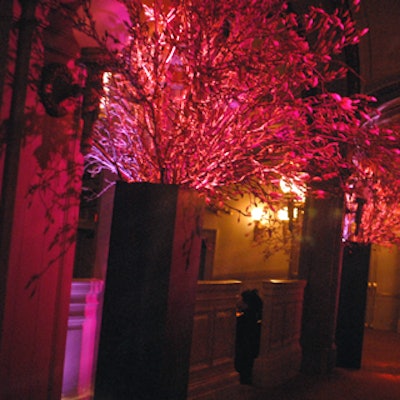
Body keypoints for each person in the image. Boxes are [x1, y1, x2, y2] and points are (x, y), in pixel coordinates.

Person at [234, 289, 263, 385]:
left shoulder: (243, 321)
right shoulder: (255, 318)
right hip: (250, 352)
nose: (238, 301)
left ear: (246, 304)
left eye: (240, 299)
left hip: (242, 352)